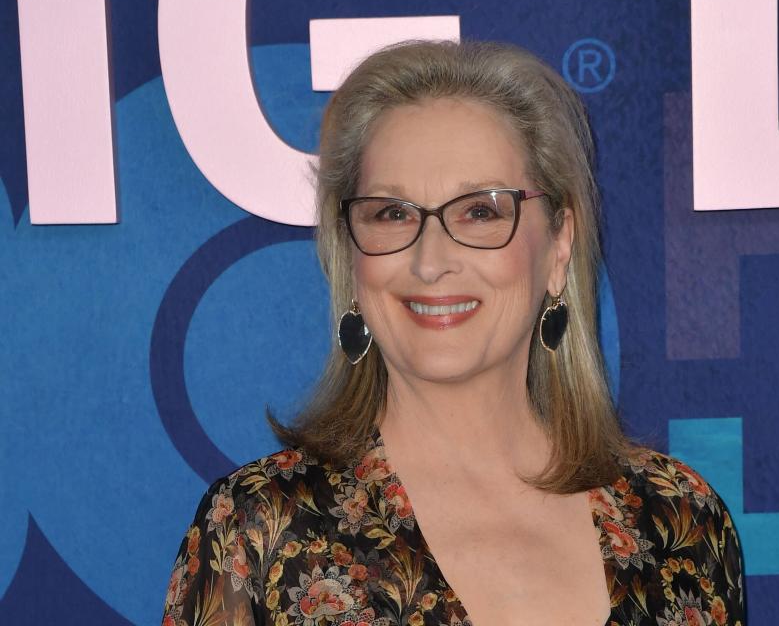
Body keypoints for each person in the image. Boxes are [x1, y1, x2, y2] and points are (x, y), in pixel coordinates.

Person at [162, 40, 745, 626]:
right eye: (392, 214)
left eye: (481, 210)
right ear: (350, 253)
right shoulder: (255, 532)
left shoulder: (680, 520)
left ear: (559, 244)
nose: (430, 259)